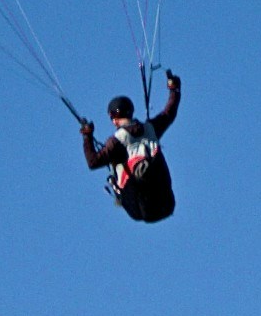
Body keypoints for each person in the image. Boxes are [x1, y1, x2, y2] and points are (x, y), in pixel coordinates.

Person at [79, 70, 184, 223]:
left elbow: (93, 162)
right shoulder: (150, 128)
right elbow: (170, 112)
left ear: (113, 118)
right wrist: (174, 90)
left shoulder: (117, 140)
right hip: (165, 200)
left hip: (142, 206)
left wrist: (87, 136)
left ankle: (122, 186)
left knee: (119, 173)